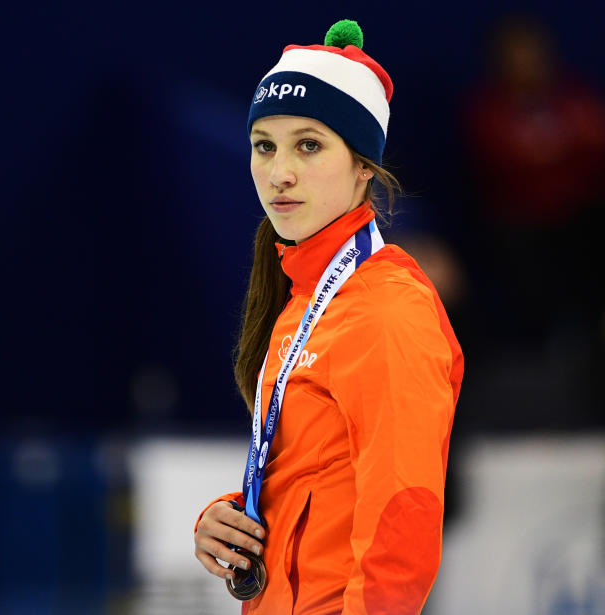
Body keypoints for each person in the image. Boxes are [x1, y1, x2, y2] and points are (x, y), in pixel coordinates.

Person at [192, 20, 464, 614]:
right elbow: (318, 479)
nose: (279, 172)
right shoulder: (299, 303)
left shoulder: (389, 310)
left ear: (364, 166)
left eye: (308, 145)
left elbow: (403, 516)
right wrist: (236, 513)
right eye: (265, 145)